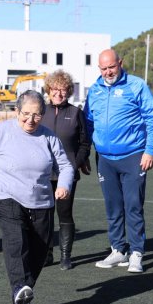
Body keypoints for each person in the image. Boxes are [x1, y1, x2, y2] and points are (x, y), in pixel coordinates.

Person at [0, 90, 73, 304]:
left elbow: (66, 166)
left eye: (36, 115)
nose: (30, 120)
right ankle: (18, 289)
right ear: (16, 111)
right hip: (6, 196)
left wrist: (63, 184)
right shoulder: (2, 131)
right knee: (16, 242)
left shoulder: (49, 137)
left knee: (40, 251)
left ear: (42, 115)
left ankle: (22, 299)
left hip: (41, 201)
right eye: (25, 114)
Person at [84, 49, 153, 273]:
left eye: (112, 67)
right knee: (113, 206)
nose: (108, 72)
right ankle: (118, 250)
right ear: (99, 68)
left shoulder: (136, 86)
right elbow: (88, 123)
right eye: (104, 68)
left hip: (133, 156)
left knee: (133, 206)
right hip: (105, 159)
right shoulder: (95, 90)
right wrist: (85, 154)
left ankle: (136, 252)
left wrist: (150, 150)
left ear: (120, 63)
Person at [40, 70, 91, 270]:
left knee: (64, 213)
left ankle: (65, 256)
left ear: (68, 91)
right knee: (44, 215)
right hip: (42, 173)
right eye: (54, 89)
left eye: (62, 90)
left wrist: (75, 164)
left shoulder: (76, 113)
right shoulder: (41, 111)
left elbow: (85, 143)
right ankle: (46, 255)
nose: (58, 93)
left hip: (66, 174)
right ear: (48, 90)